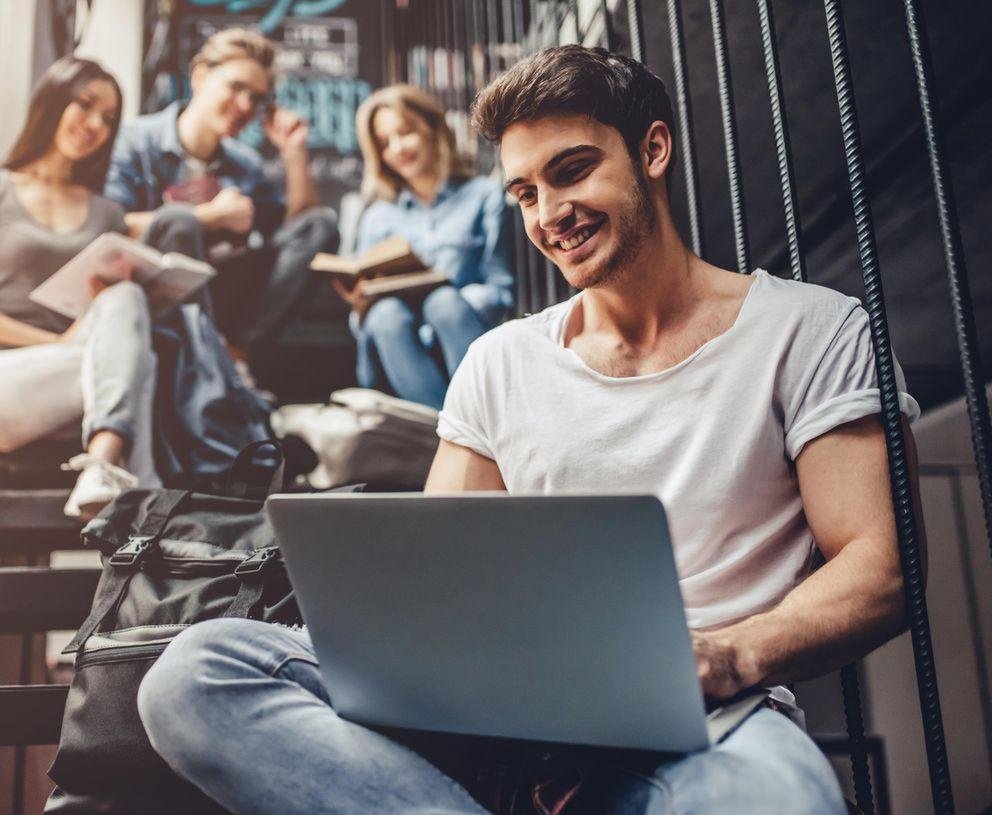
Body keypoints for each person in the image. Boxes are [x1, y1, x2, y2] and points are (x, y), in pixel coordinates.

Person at [136, 46, 924, 813]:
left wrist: (728, 653)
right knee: (196, 673)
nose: (550, 215)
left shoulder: (811, 329)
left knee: (777, 799)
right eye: (524, 193)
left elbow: (882, 566)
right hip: (497, 712)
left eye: (572, 171)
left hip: (703, 721)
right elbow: (439, 576)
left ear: (653, 149)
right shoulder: (501, 360)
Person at [104, 27, 338, 356]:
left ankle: (234, 357)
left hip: (229, 301)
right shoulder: (136, 141)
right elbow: (113, 226)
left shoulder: (246, 164)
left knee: (320, 225)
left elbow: (299, 235)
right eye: (236, 86)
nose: (245, 105)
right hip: (156, 297)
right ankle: (200, 356)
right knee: (178, 223)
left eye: (257, 98)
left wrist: (294, 154)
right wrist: (209, 217)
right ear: (200, 75)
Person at [0, 56, 160, 517]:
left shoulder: (108, 214)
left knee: (128, 300)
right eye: (85, 105)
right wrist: (57, 340)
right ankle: (143, 523)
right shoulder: (5, 190)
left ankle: (104, 464)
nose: (94, 124)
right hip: (16, 378)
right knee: (139, 363)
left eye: (108, 119)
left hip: (79, 390)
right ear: (52, 101)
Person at [332, 84, 514, 410]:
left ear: (433, 129)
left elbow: (499, 288)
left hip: (459, 334)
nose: (398, 148)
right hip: (395, 346)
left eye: (405, 133)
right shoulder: (377, 216)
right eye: (385, 143)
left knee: (442, 302)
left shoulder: (481, 195)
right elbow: (365, 315)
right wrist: (358, 305)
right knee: (385, 315)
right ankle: (452, 434)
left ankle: (458, 429)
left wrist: (454, 304)